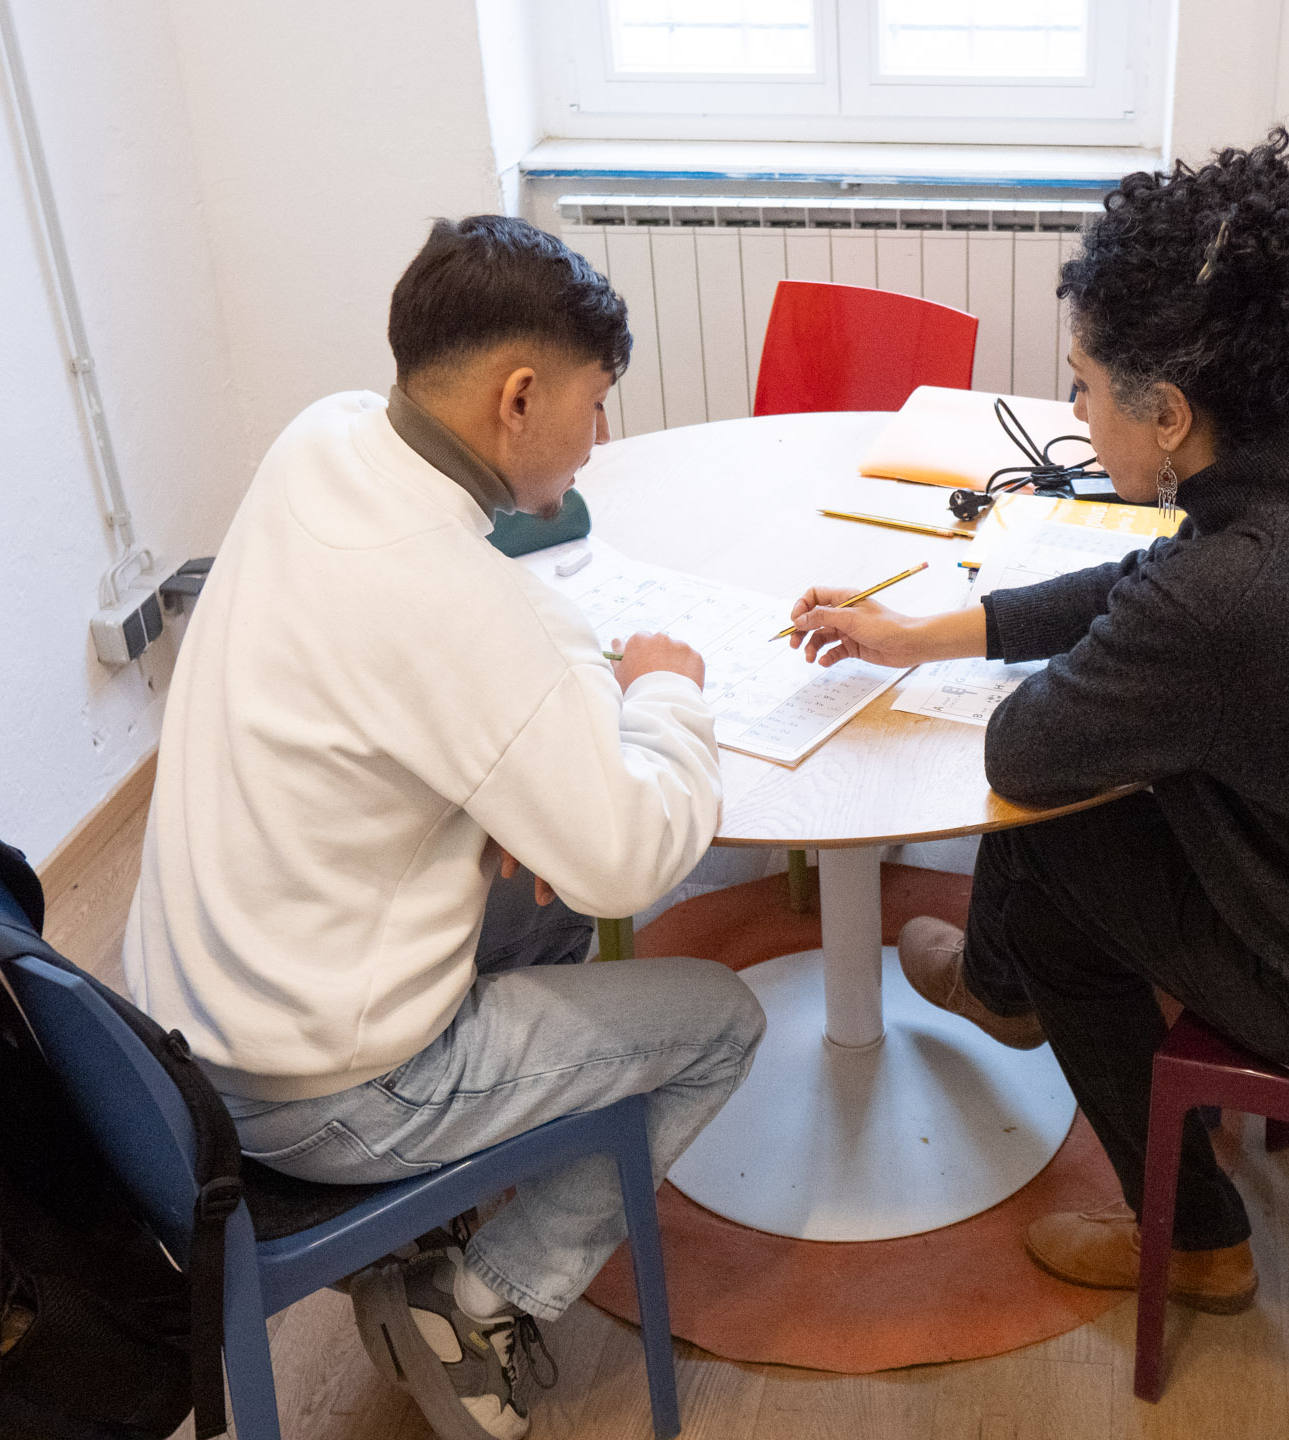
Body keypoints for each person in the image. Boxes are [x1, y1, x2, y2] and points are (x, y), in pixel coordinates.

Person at [785, 133, 1289, 1314]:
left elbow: (1026, 750)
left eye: (1085, 385)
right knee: (1101, 784)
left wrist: (1052, 681)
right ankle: (1000, 988)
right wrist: (932, 632)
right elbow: (1155, 582)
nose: (1076, 413)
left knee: (1062, 833)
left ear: (1172, 414)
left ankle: (1192, 1237)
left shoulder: (1226, 600)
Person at [123, 216, 765, 1440]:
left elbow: (423, 667)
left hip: (186, 1025)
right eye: (594, 403)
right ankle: (479, 1298)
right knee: (720, 1023)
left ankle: (436, 1222)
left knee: (543, 900)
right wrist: (665, 692)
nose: (600, 436)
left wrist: (517, 783)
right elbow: (630, 857)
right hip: (321, 1088)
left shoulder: (321, 439)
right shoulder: (452, 598)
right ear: (519, 398)